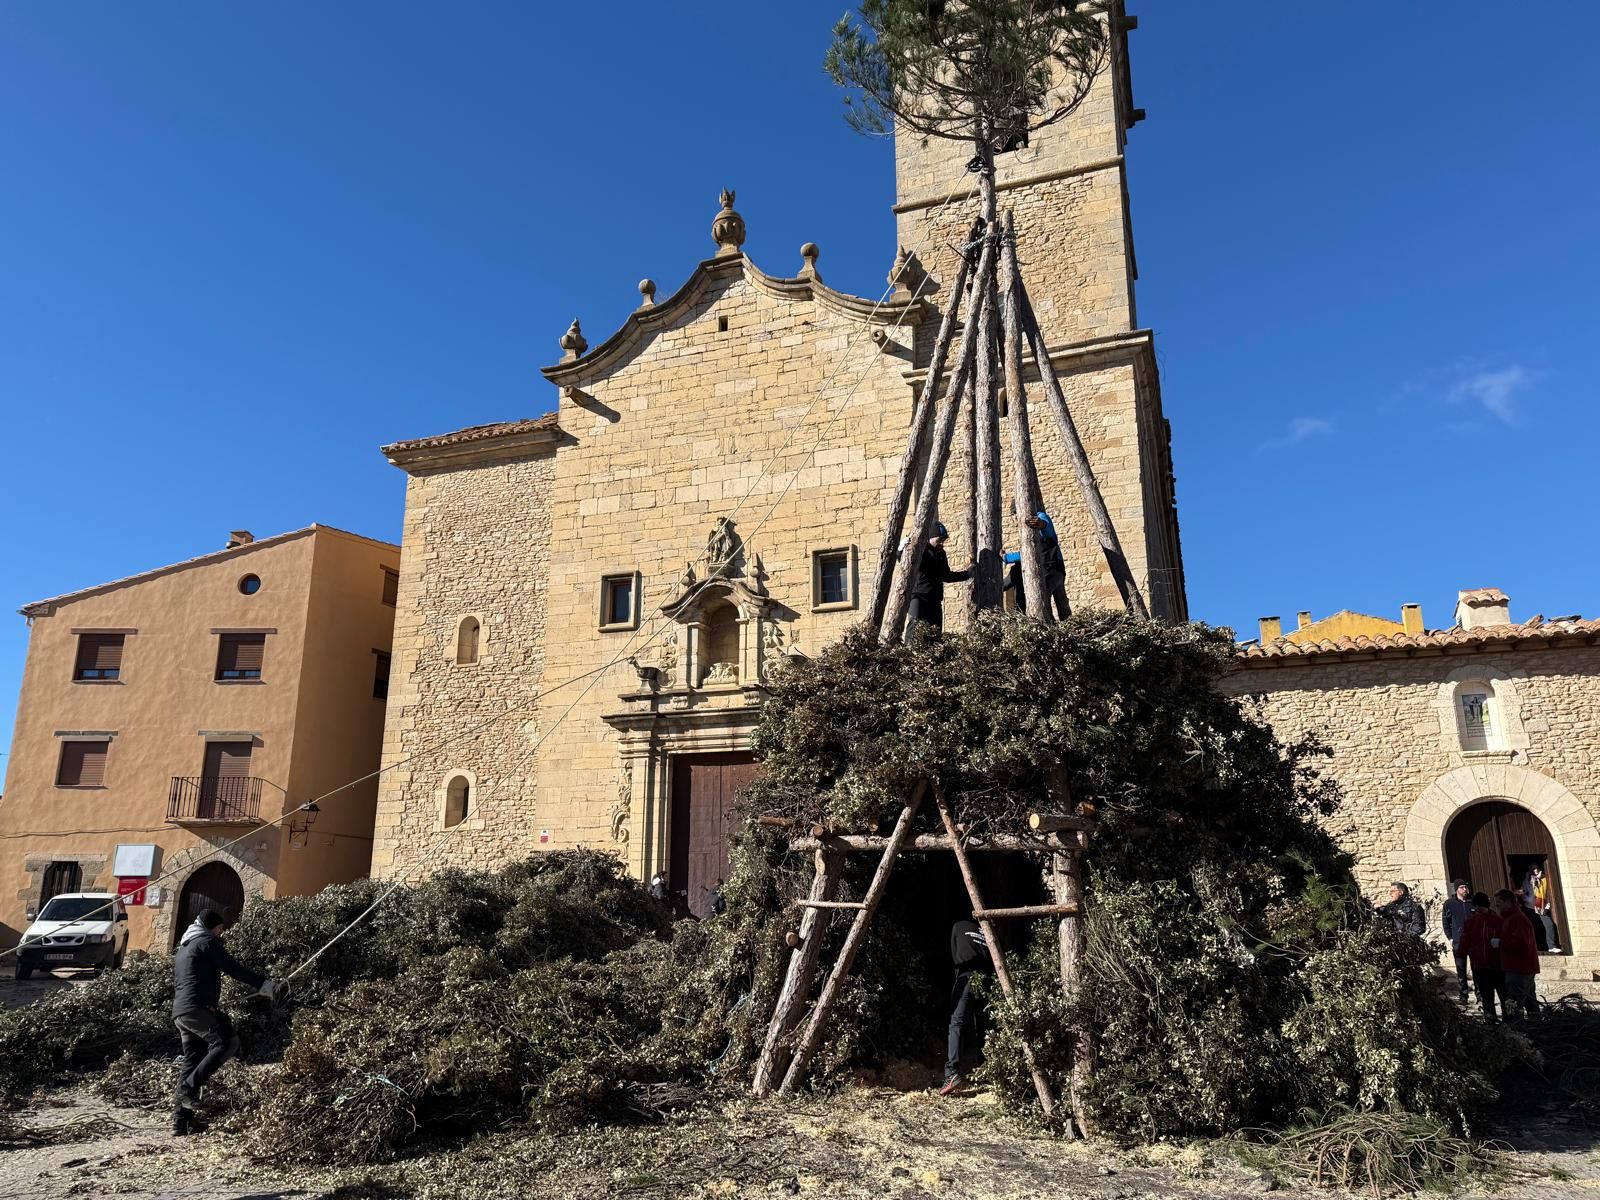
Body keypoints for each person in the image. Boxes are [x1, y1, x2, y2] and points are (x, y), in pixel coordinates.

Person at [171, 908, 281, 1136]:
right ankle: (188, 1091)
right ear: (212, 927)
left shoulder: (185, 946)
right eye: (220, 929)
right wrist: (264, 985)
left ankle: (181, 1122)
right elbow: (232, 967)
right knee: (227, 1043)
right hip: (198, 1009)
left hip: (182, 1013)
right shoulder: (206, 943)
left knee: (193, 1059)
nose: (221, 934)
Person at [941, 918, 992, 1095]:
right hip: (986, 979)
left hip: (965, 976)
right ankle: (987, 1070)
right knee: (984, 1026)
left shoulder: (957, 925)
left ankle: (952, 1073)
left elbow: (955, 956)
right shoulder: (986, 930)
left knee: (957, 1024)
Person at [908, 523, 971, 635]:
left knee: (935, 634)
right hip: (919, 597)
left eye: (944, 539)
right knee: (914, 629)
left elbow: (946, 576)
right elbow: (904, 560)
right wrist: (900, 549)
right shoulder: (921, 551)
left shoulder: (941, 554)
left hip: (935, 600)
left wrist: (968, 574)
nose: (942, 542)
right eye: (940, 539)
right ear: (931, 537)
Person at [1493, 889, 1540, 1020]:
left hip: (1519, 969)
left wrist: (1501, 943)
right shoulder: (1509, 918)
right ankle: (1538, 1030)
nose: (1497, 906)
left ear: (1508, 902)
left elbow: (1523, 944)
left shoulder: (1517, 919)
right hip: (1519, 968)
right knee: (1531, 1003)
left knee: (1514, 1004)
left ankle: (1517, 1033)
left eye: (1499, 902)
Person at [1460, 892, 1504, 1020]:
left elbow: (1464, 944)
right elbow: (1464, 943)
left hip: (1491, 965)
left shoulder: (1494, 921)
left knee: (1495, 996)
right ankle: (1499, 1021)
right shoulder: (1494, 920)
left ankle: (1499, 1021)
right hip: (1487, 965)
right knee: (1493, 996)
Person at [1023, 511, 1071, 621]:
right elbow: (1025, 554)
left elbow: (1047, 527)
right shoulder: (1037, 541)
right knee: (1061, 600)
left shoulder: (1042, 522)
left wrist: (1041, 524)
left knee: (1044, 595)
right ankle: (1069, 623)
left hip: (1052, 570)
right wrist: (1006, 557)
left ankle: (1051, 624)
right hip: (1057, 570)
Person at [1441, 879, 1474, 1003]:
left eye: (1465, 887)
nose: (1464, 890)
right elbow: (1446, 923)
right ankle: (1463, 995)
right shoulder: (1449, 904)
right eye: (1461, 887)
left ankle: (1480, 994)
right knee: (1461, 970)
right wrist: (1450, 938)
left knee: (1476, 969)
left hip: (1473, 941)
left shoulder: (1472, 902)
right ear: (1456, 889)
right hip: (1458, 941)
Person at [1524, 864, 1562, 953]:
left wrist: (1548, 902)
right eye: (1533, 869)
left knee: (1549, 925)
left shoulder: (1545, 878)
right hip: (1530, 907)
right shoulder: (1527, 881)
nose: (1535, 871)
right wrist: (1529, 900)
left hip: (1542, 906)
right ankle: (1533, 948)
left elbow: (1549, 891)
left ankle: (1552, 946)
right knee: (1533, 927)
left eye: (1536, 868)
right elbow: (1525, 892)